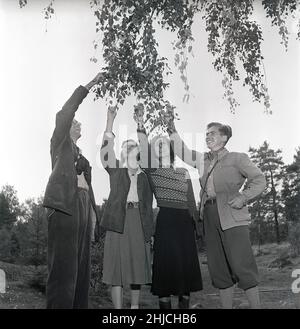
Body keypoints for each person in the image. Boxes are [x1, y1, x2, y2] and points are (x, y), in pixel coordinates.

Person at [167, 120, 266, 309]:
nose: (208, 137)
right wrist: (171, 127)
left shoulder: (237, 158)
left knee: (242, 265)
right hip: (209, 217)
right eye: (206, 134)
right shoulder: (202, 160)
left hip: (232, 215)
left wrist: (243, 197)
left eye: (212, 133)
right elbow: (182, 152)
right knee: (219, 269)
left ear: (224, 137)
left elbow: (260, 180)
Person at [43, 73, 102, 309]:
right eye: (73, 123)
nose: (77, 123)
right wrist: (89, 86)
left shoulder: (83, 158)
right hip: (64, 206)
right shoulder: (59, 143)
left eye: (79, 123)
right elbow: (64, 114)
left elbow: (90, 188)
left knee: (81, 270)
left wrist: (95, 216)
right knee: (64, 270)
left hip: (84, 208)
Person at [134, 108, 203, 309]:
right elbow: (144, 150)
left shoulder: (183, 172)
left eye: (164, 143)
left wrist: (198, 228)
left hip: (184, 225)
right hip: (166, 222)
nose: (160, 146)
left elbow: (191, 202)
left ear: (171, 148)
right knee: (166, 273)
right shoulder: (153, 170)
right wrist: (140, 125)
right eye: (157, 145)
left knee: (184, 274)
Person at [100, 106, 154, 309]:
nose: (129, 150)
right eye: (125, 148)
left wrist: (140, 123)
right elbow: (106, 152)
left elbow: (147, 150)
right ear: (122, 154)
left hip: (139, 222)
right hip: (117, 222)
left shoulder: (146, 174)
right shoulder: (116, 171)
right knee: (116, 270)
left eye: (133, 147)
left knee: (136, 266)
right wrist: (110, 121)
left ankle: (134, 308)